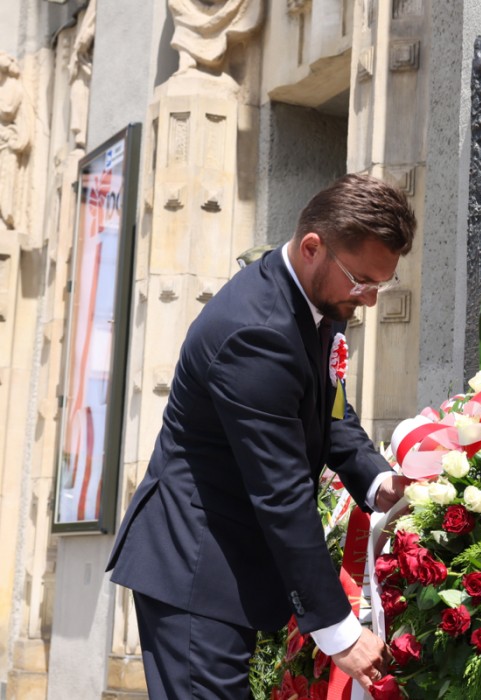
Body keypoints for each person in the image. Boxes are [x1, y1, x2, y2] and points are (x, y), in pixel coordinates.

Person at [107, 173, 416, 698]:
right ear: (313, 247)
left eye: (380, 285)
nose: (368, 299)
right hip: (198, 566)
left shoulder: (321, 300)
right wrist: (340, 633)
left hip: (234, 565)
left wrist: (377, 480)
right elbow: (281, 492)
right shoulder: (257, 333)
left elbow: (330, 410)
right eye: (361, 281)